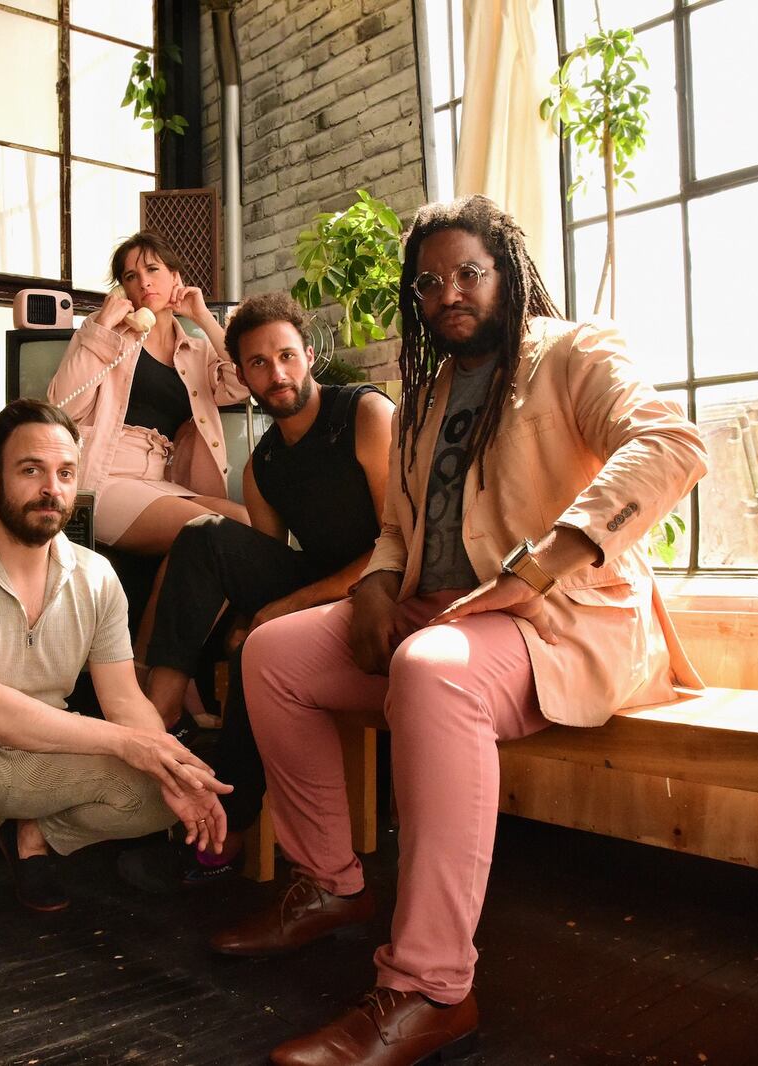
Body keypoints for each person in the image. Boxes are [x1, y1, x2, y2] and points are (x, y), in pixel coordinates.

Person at [214, 195, 708, 1065]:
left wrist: (542, 560)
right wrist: (371, 589)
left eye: (468, 272)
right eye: (431, 280)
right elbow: (400, 528)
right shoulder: (427, 392)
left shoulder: (574, 353)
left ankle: (430, 988)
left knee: (434, 669)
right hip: (439, 612)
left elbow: (670, 443)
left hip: (559, 618)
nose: (450, 292)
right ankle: (328, 882)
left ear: (505, 271)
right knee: (274, 652)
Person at [0, 398, 231, 992]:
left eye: (65, 473)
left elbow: (123, 699)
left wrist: (177, 764)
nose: (51, 489)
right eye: (30, 470)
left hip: (46, 759)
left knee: (164, 791)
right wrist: (128, 743)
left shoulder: (97, 576)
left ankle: (34, 838)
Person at [121, 291, 392, 887]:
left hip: (382, 590)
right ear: (241, 375)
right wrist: (255, 612)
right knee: (204, 535)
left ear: (310, 355)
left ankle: (231, 829)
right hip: (320, 585)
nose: (278, 374)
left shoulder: (365, 416)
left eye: (287, 356)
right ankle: (157, 721)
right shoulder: (262, 465)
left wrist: (275, 613)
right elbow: (265, 562)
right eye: (260, 365)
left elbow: (398, 543)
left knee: (257, 649)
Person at [46, 232, 249, 552]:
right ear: (122, 289)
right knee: (214, 531)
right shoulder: (103, 333)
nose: (143, 282)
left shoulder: (196, 351)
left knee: (245, 520)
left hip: (159, 480)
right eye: (131, 276)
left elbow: (242, 382)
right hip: (104, 476)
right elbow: (61, 408)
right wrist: (102, 330)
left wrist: (202, 315)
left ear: (175, 277)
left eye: (153, 270)